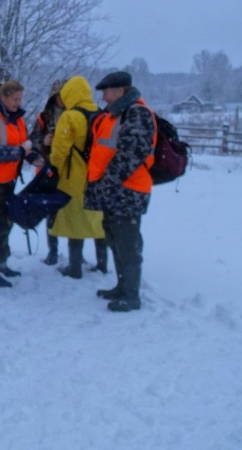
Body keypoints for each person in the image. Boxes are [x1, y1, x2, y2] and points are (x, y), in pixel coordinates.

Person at [85, 71, 157, 312]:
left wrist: (106, 183)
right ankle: (122, 286)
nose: (103, 97)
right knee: (115, 241)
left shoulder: (137, 113)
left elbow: (130, 155)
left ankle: (131, 295)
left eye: (106, 91)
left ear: (121, 91)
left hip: (128, 190)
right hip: (114, 191)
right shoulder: (115, 114)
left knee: (128, 243)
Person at [0, 79, 45, 288]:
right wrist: (20, 152)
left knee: (5, 221)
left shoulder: (16, 119)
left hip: (7, 180)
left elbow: (20, 145)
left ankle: (2, 262)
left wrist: (31, 157)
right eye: (14, 99)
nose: (18, 103)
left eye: (20, 99)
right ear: (3, 97)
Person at [47, 75, 107, 279]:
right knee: (98, 220)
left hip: (75, 177)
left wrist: (53, 170)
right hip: (99, 176)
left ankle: (74, 268)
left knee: (75, 221)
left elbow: (59, 151)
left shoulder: (70, 117)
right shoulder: (102, 115)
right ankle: (102, 264)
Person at [29, 79, 65, 265]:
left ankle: (76, 253)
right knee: (51, 212)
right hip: (48, 171)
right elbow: (31, 142)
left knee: (73, 212)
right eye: (58, 95)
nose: (61, 99)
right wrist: (43, 140)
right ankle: (53, 251)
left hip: (70, 171)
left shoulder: (78, 115)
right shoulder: (44, 117)